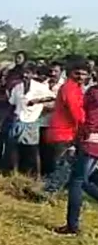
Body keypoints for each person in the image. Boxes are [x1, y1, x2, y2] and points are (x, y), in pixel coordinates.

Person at [26, 59, 89, 201]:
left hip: (67, 132)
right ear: (70, 73)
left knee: (64, 166)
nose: (80, 76)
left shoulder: (76, 88)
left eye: (83, 74)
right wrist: (88, 126)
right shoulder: (70, 88)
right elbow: (75, 111)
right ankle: (46, 192)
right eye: (77, 73)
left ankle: (45, 190)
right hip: (62, 133)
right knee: (64, 167)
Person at [54, 84, 98, 235]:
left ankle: (72, 226)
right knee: (88, 178)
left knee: (77, 181)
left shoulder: (93, 92)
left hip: (89, 141)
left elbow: (86, 119)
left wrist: (76, 141)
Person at [7, 63, 55, 178]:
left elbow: (52, 97)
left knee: (33, 149)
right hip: (18, 118)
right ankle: (15, 171)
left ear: (33, 74)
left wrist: (37, 101)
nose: (25, 75)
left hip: (32, 120)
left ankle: (37, 174)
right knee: (14, 147)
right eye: (23, 72)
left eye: (28, 73)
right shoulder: (17, 88)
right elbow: (12, 103)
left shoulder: (39, 87)